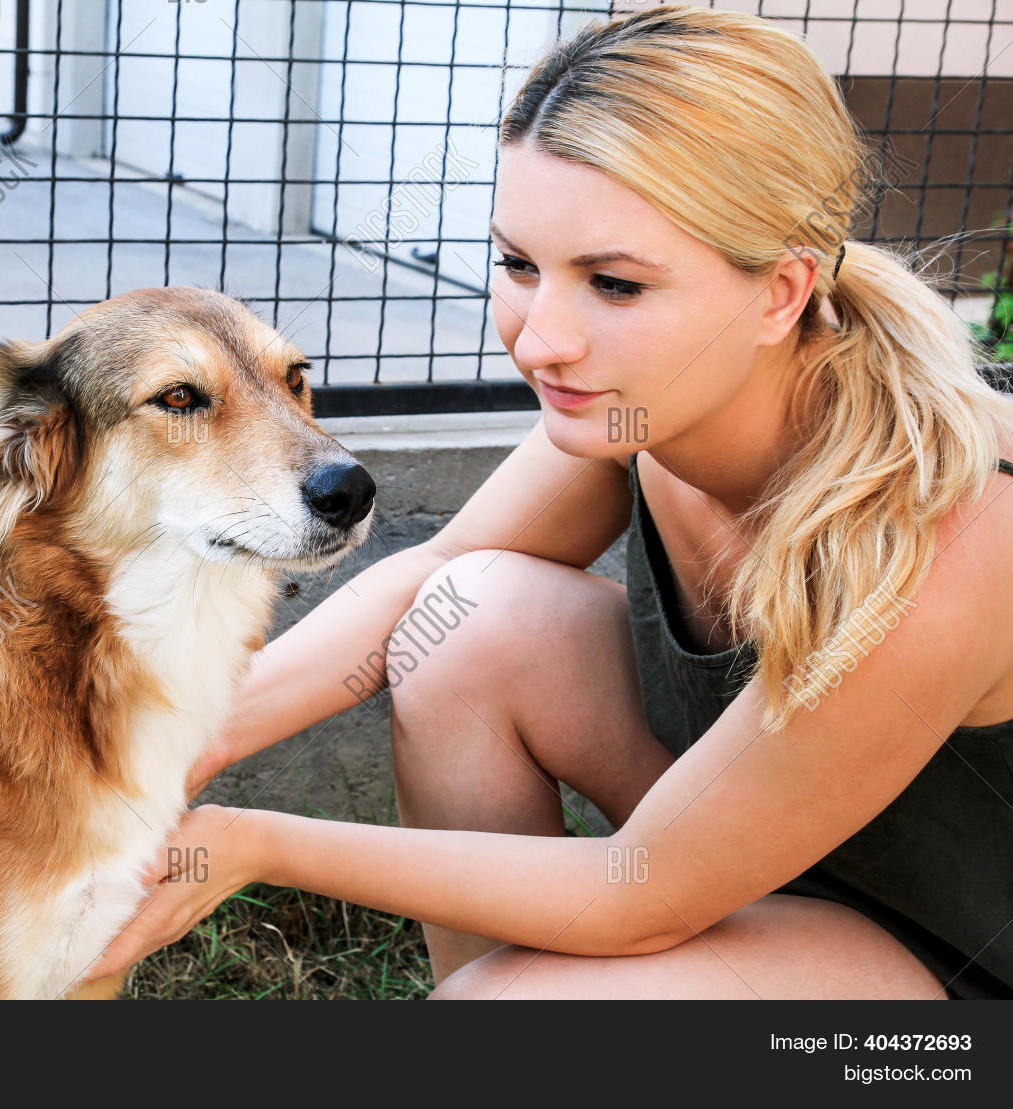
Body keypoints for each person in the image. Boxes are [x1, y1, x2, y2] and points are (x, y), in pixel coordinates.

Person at [86, 4, 1013, 999]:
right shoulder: (650, 407)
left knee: (515, 1010)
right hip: (779, 887)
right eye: (520, 264)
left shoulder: (960, 527)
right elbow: (433, 579)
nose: (540, 341)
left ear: (783, 291)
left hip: (945, 1010)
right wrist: (169, 739)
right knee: (470, 619)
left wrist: (245, 842)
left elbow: (640, 887)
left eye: (613, 284)